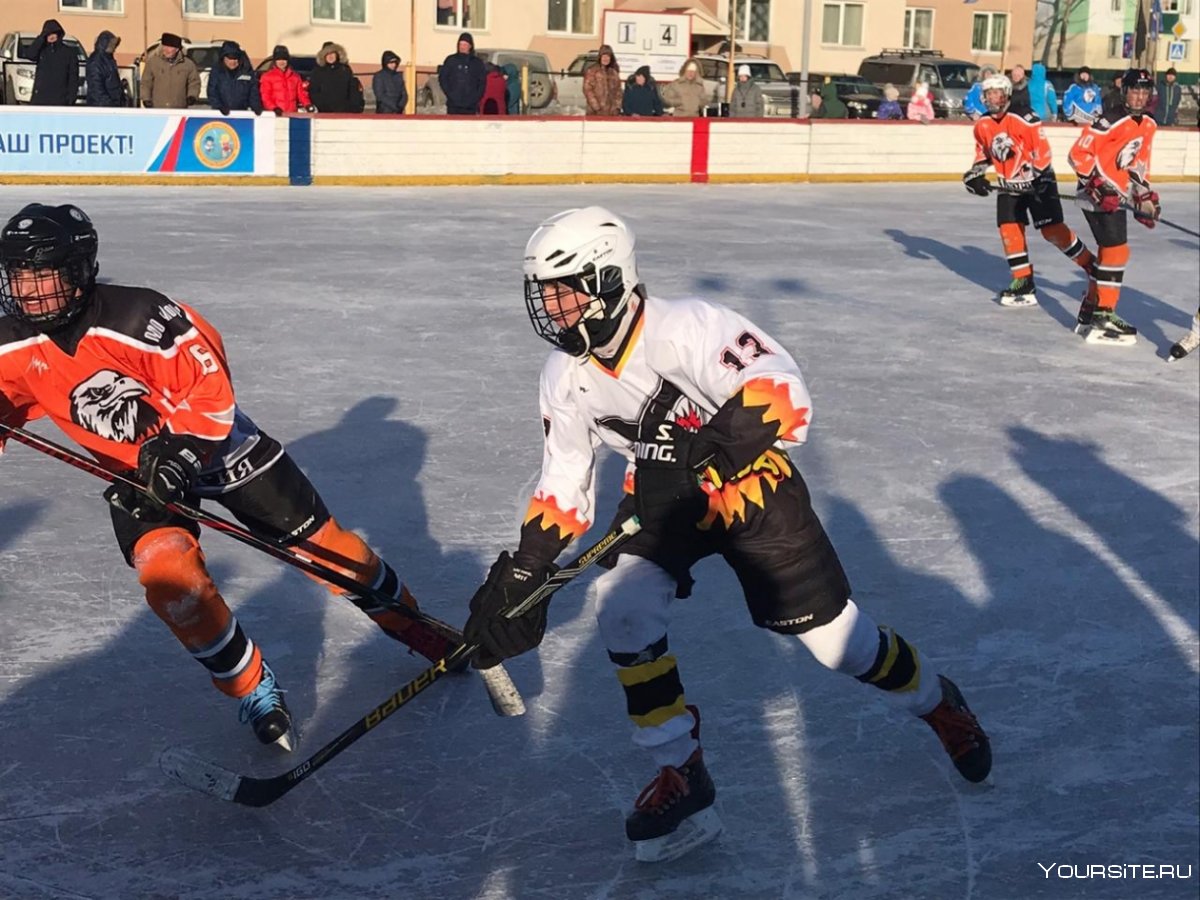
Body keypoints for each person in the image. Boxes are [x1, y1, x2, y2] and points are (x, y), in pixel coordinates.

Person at [461, 206, 992, 863]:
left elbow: (782, 388)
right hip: (657, 501)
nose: (552, 307)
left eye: (565, 291)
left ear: (609, 281)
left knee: (836, 645)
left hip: (750, 493)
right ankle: (680, 770)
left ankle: (938, 703)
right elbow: (565, 479)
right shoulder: (563, 377)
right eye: (544, 294)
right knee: (622, 610)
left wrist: (721, 446)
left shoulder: (687, 327)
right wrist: (528, 567)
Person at [0, 205, 458, 753]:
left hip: (219, 451)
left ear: (79, 270)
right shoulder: (10, 341)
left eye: (41, 273)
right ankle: (249, 685)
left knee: (330, 555)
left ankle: (413, 626)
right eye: (18, 274)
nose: (28, 290)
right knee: (169, 580)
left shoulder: (142, 316)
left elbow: (209, 390)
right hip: (134, 475)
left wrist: (183, 451)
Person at [962, 73, 1097, 308]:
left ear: (1006, 95)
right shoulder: (982, 124)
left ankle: (1091, 265)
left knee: (1052, 231)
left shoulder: (1024, 117)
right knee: (1008, 227)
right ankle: (1023, 281)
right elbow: (984, 153)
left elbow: (1042, 150)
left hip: (1038, 181)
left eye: (997, 93)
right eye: (988, 94)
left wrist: (1037, 178)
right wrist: (976, 173)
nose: (992, 98)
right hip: (1008, 183)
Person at [1068, 68, 1161, 346]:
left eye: (1144, 92)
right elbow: (1077, 155)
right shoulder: (1108, 120)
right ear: (1125, 92)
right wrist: (1096, 184)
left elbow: (1138, 165)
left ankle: (1091, 308)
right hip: (1094, 195)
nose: (1139, 96)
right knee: (1117, 250)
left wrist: (1142, 197)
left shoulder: (1149, 124)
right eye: (1134, 90)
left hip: (1117, 195)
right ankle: (1103, 314)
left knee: (1109, 252)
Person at [140, 33, 200, 110]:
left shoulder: (188, 64)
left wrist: (192, 96)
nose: (166, 50)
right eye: (164, 46)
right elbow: (146, 82)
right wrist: (146, 98)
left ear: (177, 49)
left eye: (170, 47)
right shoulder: (153, 62)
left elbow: (194, 82)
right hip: (157, 108)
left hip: (179, 108)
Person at [29, 19, 79, 106]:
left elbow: (73, 77)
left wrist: (71, 99)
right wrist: (41, 38)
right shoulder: (41, 50)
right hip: (40, 98)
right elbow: (30, 54)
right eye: (48, 34)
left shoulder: (68, 52)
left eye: (53, 33)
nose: (51, 36)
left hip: (60, 99)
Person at [207, 41, 262, 116]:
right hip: (221, 115)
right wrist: (218, 106)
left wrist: (256, 106)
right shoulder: (217, 72)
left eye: (235, 58)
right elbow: (212, 92)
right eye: (230, 58)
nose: (232, 62)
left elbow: (253, 91)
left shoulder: (246, 71)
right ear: (223, 58)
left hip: (242, 114)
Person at [308, 42, 364, 113]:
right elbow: (314, 92)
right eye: (327, 54)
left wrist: (351, 107)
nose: (330, 56)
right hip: (324, 112)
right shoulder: (317, 71)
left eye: (332, 53)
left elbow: (352, 90)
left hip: (344, 111)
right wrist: (322, 106)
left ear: (337, 54)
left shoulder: (345, 70)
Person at [439, 32, 486, 115]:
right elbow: (443, 79)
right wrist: (450, 94)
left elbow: (482, 82)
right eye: (460, 44)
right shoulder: (451, 60)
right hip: (454, 105)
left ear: (470, 46)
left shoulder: (477, 63)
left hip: (470, 106)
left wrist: (475, 98)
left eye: (465, 44)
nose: (462, 47)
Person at [259, 45, 313, 115]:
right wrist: (274, 108)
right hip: (275, 113)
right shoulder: (267, 77)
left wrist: (307, 104)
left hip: (292, 113)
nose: (281, 62)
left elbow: (301, 94)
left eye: (284, 59)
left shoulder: (295, 76)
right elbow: (265, 96)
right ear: (275, 61)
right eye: (279, 59)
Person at [86, 30, 124, 107]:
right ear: (105, 45)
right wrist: (109, 104)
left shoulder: (109, 59)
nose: (114, 49)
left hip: (111, 104)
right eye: (112, 46)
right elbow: (96, 88)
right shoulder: (96, 61)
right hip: (102, 107)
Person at [584, 44, 622, 116]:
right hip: (595, 113)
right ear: (600, 57)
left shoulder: (613, 72)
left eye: (608, 56)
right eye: (603, 56)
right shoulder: (592, 71)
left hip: (611, 113)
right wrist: (596, 107)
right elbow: (587, 90)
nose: (605, 58)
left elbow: (618, 91)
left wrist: (617, 107)